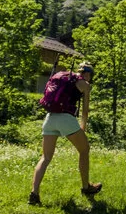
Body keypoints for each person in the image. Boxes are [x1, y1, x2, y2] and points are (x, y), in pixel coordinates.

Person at [30, 62, 101, 205]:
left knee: (45, 157)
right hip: (66, 119)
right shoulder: (85, 84)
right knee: (84, 150)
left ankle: (34, 194)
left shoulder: (63, 77)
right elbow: (85, 111)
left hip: (50, 118)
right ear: (88, 74)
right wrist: (83, 127)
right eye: (91, 75)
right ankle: (86, 187)